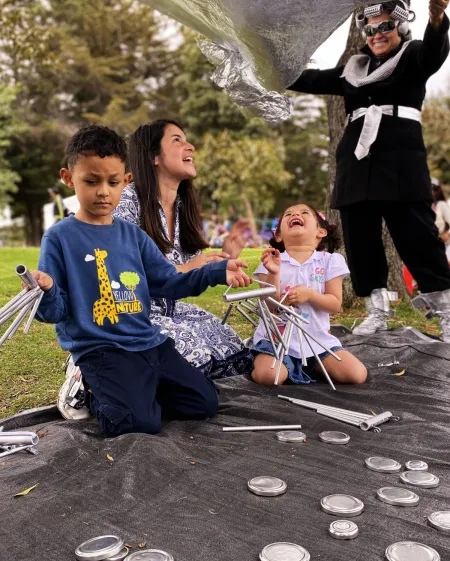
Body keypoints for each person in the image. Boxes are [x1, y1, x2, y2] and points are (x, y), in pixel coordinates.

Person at [31, 125, 251, 437]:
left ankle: (135, 394)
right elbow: (54, 312)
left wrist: (216, 272)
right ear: (68, 178)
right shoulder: (59, 238)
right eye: (91, 181)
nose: (104, 191)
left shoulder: (132, 235)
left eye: (113, 182)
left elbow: (168, 281)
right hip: (101, 349)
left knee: (204, 402)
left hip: (150, 342)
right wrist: (47, 291)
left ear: (126, 181)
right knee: (136, 423)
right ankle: (89, 388)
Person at [288, 0, 450, 341]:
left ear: (401, 28)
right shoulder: (353, 68)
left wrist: (436, 18)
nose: (377, 34)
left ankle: (446, 311)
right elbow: (309, 79)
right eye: (371, 29)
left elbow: (435, 50)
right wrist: (269, 65)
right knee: (360, 241)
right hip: (356, 165)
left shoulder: (413, 55)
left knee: (418, 237)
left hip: (400, 161)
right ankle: (377, 310)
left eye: (385, 27)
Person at [113, 120, 253, 378]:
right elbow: (119, 274)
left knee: (235, 353)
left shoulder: (180, 208)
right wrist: (186, 267)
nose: (190, 146)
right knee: (195, 356)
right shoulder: (127, 202)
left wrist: (224, 258)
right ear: (154, 156)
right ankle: (87, 374)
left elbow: (189, 275)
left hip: (170, 312)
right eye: (177, 140)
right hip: (131, 316)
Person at [251, 203, 367, 386]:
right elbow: (270, 307)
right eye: (288, 214)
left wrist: (311, 296)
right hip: (275, 341)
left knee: (356, 374)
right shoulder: (271, 262)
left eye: (304, 212)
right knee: (270, 377)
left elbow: (335, 304)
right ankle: (281, 363)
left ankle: (310, 365)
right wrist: (274, 273)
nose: (295, 214)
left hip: (317, 342)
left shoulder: (330, 261)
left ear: (321, 231)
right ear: (279, 235)